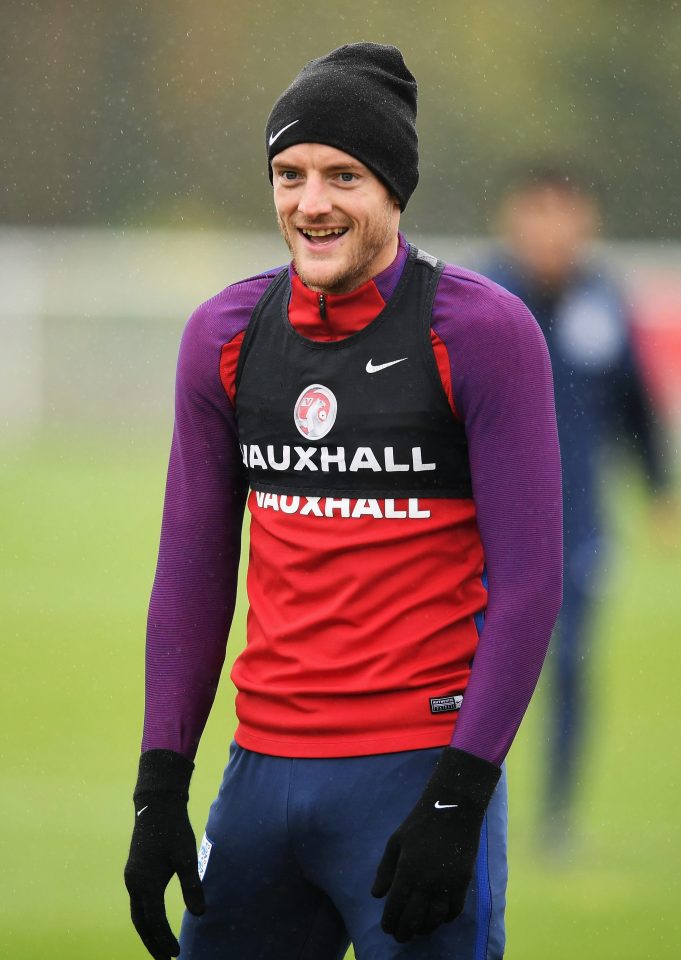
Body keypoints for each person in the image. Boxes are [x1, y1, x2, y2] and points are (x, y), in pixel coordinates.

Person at [124, 43, 563, 960]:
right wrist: (161, 788)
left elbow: (529, 583)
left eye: (343, 175)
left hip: (414, 784)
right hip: (257, 786)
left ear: (394, 191)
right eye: (288, 174)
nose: (310, 202)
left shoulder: (481, 333)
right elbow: (193, 572)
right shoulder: (224, 334)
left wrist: (458, 797)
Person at [484, 166, 670, 847]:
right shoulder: (476, 297)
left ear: (586, 221)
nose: (552, 229)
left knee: (568, 670)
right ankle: (458, 803)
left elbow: (636, 406)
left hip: (577, 528)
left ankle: (557, 817)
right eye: (538, 212)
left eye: (566, 213)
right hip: (482, 531)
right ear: (513, 217)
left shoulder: (603, 299)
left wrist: (657, 490)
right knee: (467, 675)